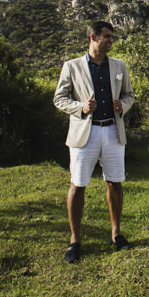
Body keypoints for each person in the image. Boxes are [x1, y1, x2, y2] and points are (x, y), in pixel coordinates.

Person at [53, 21, 136, 263]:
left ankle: (116, 235)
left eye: (112, 37)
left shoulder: (120, 66)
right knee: (78, 184)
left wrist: (124, 105)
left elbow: (129, 94)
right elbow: (59, 98)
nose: (111, 41)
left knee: (115, 183)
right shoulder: (72, 66)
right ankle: (75, 240)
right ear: (93, 37)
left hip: (112, 131)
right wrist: (81, 107)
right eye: (107, 37)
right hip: (84, 134)